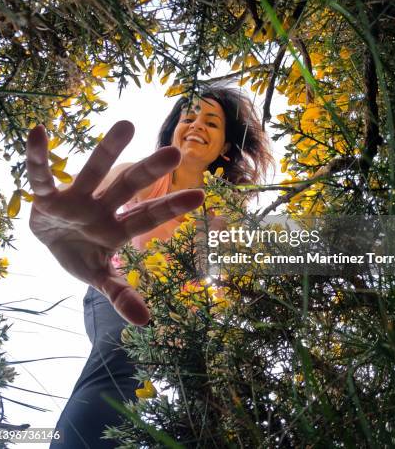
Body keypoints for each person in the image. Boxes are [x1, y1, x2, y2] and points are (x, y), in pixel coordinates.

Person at [26, 84, 273, 448]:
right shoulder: (145, 177)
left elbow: (236, 270)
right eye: (188, 117)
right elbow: (96, 194)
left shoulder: (228, 209)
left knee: (209, 403)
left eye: (211, 122)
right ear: (173, 131)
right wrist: (68, 216)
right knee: (120, 364)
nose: (196, 126)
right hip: (119, 290)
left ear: (224, 147)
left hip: (184, 315)